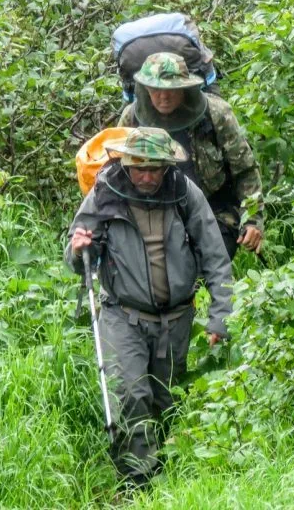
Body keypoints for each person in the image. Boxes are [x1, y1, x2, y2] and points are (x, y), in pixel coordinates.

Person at [64, 127, 233, 485]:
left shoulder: (183, 192)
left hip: (177, 316)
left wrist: (220, 316)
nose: (145, 176)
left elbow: (216, 256)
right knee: (130, 393)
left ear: (166, 166)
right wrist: (79, 248)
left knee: (165, 398)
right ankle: (139, 482)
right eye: (138, 167)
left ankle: (170, 475)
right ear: (125, 163)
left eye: (153, 169)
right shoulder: (105, 191)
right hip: (122, 313)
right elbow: (78, 255)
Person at [116, 52, 264, 259]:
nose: (164, 96)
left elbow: (245, 170)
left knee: (209, 268)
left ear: (185, 87)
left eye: (171, 90)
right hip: (151, 216)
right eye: (157, 90)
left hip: (215, 213)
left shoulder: (216, 113)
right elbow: (115, 173)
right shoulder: (132, 118)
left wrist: (252, 220)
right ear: (146, 88)